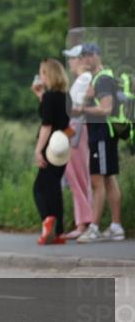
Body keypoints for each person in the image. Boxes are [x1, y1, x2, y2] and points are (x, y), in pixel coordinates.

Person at [76, 44, 125, 242]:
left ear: (98, 56)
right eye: (83, 56)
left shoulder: (102, 79)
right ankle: (116, 226)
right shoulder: (100, 78)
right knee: (108, 178)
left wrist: (82, 109)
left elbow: (106, 108)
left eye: (89, 55)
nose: (86, 59)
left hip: (102, 134)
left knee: (97, 181)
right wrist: (88, 99)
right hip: (104, 134)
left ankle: (94, 228)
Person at [31, 58, 71, 245]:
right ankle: (59, 232)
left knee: (39, 188)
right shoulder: (65, 97)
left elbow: (47, 125)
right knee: (54, 187)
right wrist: (41, 96)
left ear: (48, 75)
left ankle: (48, 220)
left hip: (49, 148)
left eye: (42, 72)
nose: (40, 76)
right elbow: (56, 116)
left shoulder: (50, 98)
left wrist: (38, 150)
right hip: (62, 147)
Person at [61, 45, 94, 239]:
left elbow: (76, 109)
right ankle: (82, 221)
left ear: (82, 60)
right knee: (76, 175)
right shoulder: (81, 80)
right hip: (75, 128)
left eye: (73, 58)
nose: (71, 62)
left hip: (77, 129)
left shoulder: (84, 79)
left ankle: (84, 223)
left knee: (77, 175)